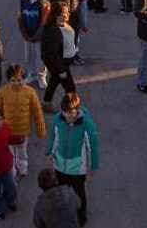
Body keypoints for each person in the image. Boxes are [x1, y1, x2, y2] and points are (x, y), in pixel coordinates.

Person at [46, 92, 100, 226]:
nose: (68, 116)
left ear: (77, 110)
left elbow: (92, 147)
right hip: (60, 166)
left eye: (71, 112)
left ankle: (81, 217)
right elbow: (53, 138)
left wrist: (93, 167)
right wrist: (49, 153)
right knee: (61, 193)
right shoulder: (58, 120)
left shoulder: (87, 125)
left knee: (79, 194)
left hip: (77, 169)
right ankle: (65, 214)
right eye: (65, 112)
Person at [0, 63, 47, 179]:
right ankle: (11, 171)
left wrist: (40, 128)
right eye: (13, 80)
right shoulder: (2, 92)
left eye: (19, 80)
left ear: (24, 78)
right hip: (7, 131)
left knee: (22, 152)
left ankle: (23, 169)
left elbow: (37, 111)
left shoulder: (30, 92)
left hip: (23, 131)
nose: (17, 83)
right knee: (9, 154)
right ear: (8, 80)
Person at [41, 3, 77, 110]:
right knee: (70, 88)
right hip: (60, 64)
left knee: (55, 80)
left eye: (67, 12)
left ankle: (46, 102)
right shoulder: (53, 31)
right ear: (55, 15)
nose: (66, 15)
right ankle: (71, 107)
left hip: (63, 62)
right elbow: (52, 55)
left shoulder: (62, 24)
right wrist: (61, 70)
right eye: (62, 13)